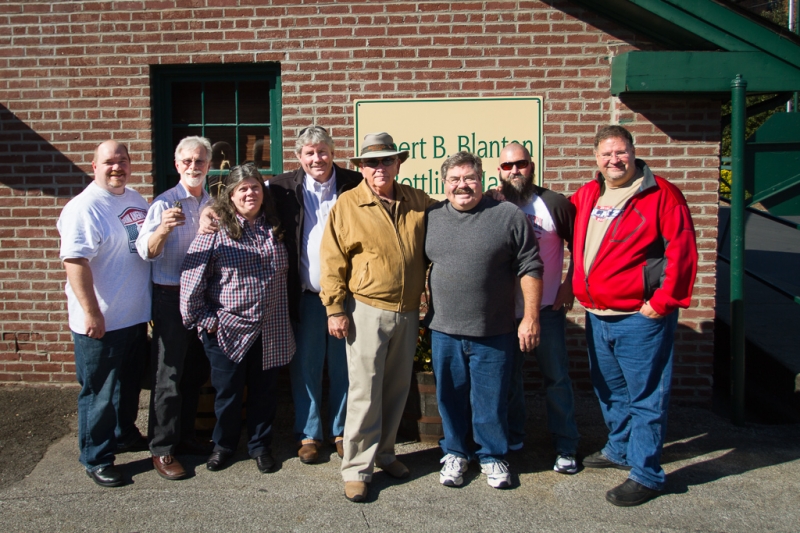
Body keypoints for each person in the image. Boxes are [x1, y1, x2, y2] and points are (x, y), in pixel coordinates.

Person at [571, 125, 697, 506]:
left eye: (621, 152)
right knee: (610, 390)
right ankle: (620, 448)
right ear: (596, 158)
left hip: (639, 318)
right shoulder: (589, 194)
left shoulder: (660, 194)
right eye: (607, 154)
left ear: (633, 152)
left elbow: (683, 251)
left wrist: (661, 302)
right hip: (597, 314)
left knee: (646, 396)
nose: (615, 160)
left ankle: (647, 473)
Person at [320, 132, 435, 502]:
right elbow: (333, 260)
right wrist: (334, 308)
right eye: (372, 162)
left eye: (387, 160)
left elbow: (455, 215)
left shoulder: (417, 201)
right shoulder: (348, 204)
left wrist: (490, 200)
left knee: (396, 389)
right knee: (365, 391)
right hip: (366, 310)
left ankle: (385, 455)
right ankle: (356, 467)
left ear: (398, 163)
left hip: (406, 311)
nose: (380, 168)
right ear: (362, 169)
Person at [425, 151, 544, 489]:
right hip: (444, 330)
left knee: (490, 401)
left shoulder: (507, 215)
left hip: (494, 330)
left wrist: (531, 317)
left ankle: (492, 456)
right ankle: (456, 452)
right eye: (454, 179)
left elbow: (530, 266)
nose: (462, 185)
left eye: (469, 178)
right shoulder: (432, 217)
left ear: (482, 181)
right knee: (449, 398)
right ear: (444, 184)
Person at [180, 164, 295, 475]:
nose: (250, 193)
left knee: (264, 392)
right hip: (227, 330)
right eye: (242, 188)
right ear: (230, 195)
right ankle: (224, 445)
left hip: (270, 327)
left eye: (255, 187)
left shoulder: (274, 227)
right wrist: (207, 321)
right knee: (228, 394)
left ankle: (260, 446)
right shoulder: (215, 230)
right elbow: (191, 282)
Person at [57, 140, 151, 488]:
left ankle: (123, 433)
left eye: (123, 161)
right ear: (93, 166)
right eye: (109, 162)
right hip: (101, 321)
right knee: (98, 391)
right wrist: (91, 312)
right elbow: (75, 262)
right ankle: (95, 457)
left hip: (134, 316)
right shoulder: (84, 208)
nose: (117, 168)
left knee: (127, 387)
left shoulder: (135, 199)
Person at [269, 126, 362, 464]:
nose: (317, 158)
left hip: (349, 297)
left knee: (345, 367)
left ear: (333, 152)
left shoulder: (354, 183)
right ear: (299, 157)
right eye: (309, 152)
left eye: (322, 151)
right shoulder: (280, 188)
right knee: (306, 367)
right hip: (307, 296)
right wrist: (210, 213)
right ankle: (309, 433)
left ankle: (341, 431)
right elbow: (240, 203)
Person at [499, 142, 581, 475]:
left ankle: (566, 445)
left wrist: (570, 283)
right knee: (509, 379)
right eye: (507, 166)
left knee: (556, 378)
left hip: (546, 310)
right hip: (504, 313)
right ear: (499, 171)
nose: (514, 170)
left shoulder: (554, 204)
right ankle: (514, 436)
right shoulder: (493, 203)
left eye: (520, 164)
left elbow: (582, 246)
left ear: (532, 166)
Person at [135, 136, 213, 481]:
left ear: (208, 165)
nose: (193, 167)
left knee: (194, 371)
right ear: (176, 165)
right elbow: (146, 252)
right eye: (187, 162)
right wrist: (163, 230)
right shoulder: (163, 204)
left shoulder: (212, 202)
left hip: (202, 298)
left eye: (200, 161)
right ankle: (162, 449)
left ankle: (185, 436)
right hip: (170, 296)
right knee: (168, 375)